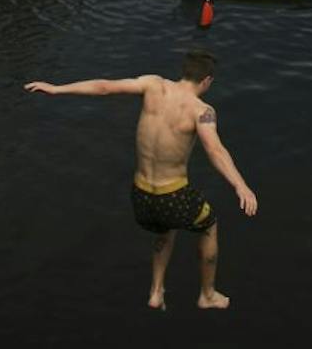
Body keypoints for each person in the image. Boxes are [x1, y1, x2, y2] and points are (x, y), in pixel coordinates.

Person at [24, 50, 258, 311]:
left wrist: (56, 89)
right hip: (172, 197)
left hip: (141, 196)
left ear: (184, 72)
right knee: (209, 225)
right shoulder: (202, 110)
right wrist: (240, 185)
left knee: (165, 229)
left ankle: (156, 291)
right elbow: (215, 150)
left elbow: (104, 87)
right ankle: (207, 294)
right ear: (207, 81)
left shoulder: (152, 84)